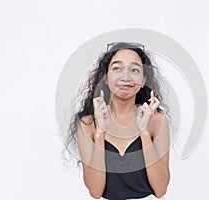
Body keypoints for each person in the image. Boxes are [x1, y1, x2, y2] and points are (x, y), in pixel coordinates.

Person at [65, 42, 170, 200]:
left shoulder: (156, 121)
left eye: (134, 70)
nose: (125, 77)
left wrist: (144, 132)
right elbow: (95, 192)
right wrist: (100, 132)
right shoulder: (87, 124)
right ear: (105, 78)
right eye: (117, 68)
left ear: (143, 80)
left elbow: (161, 190)